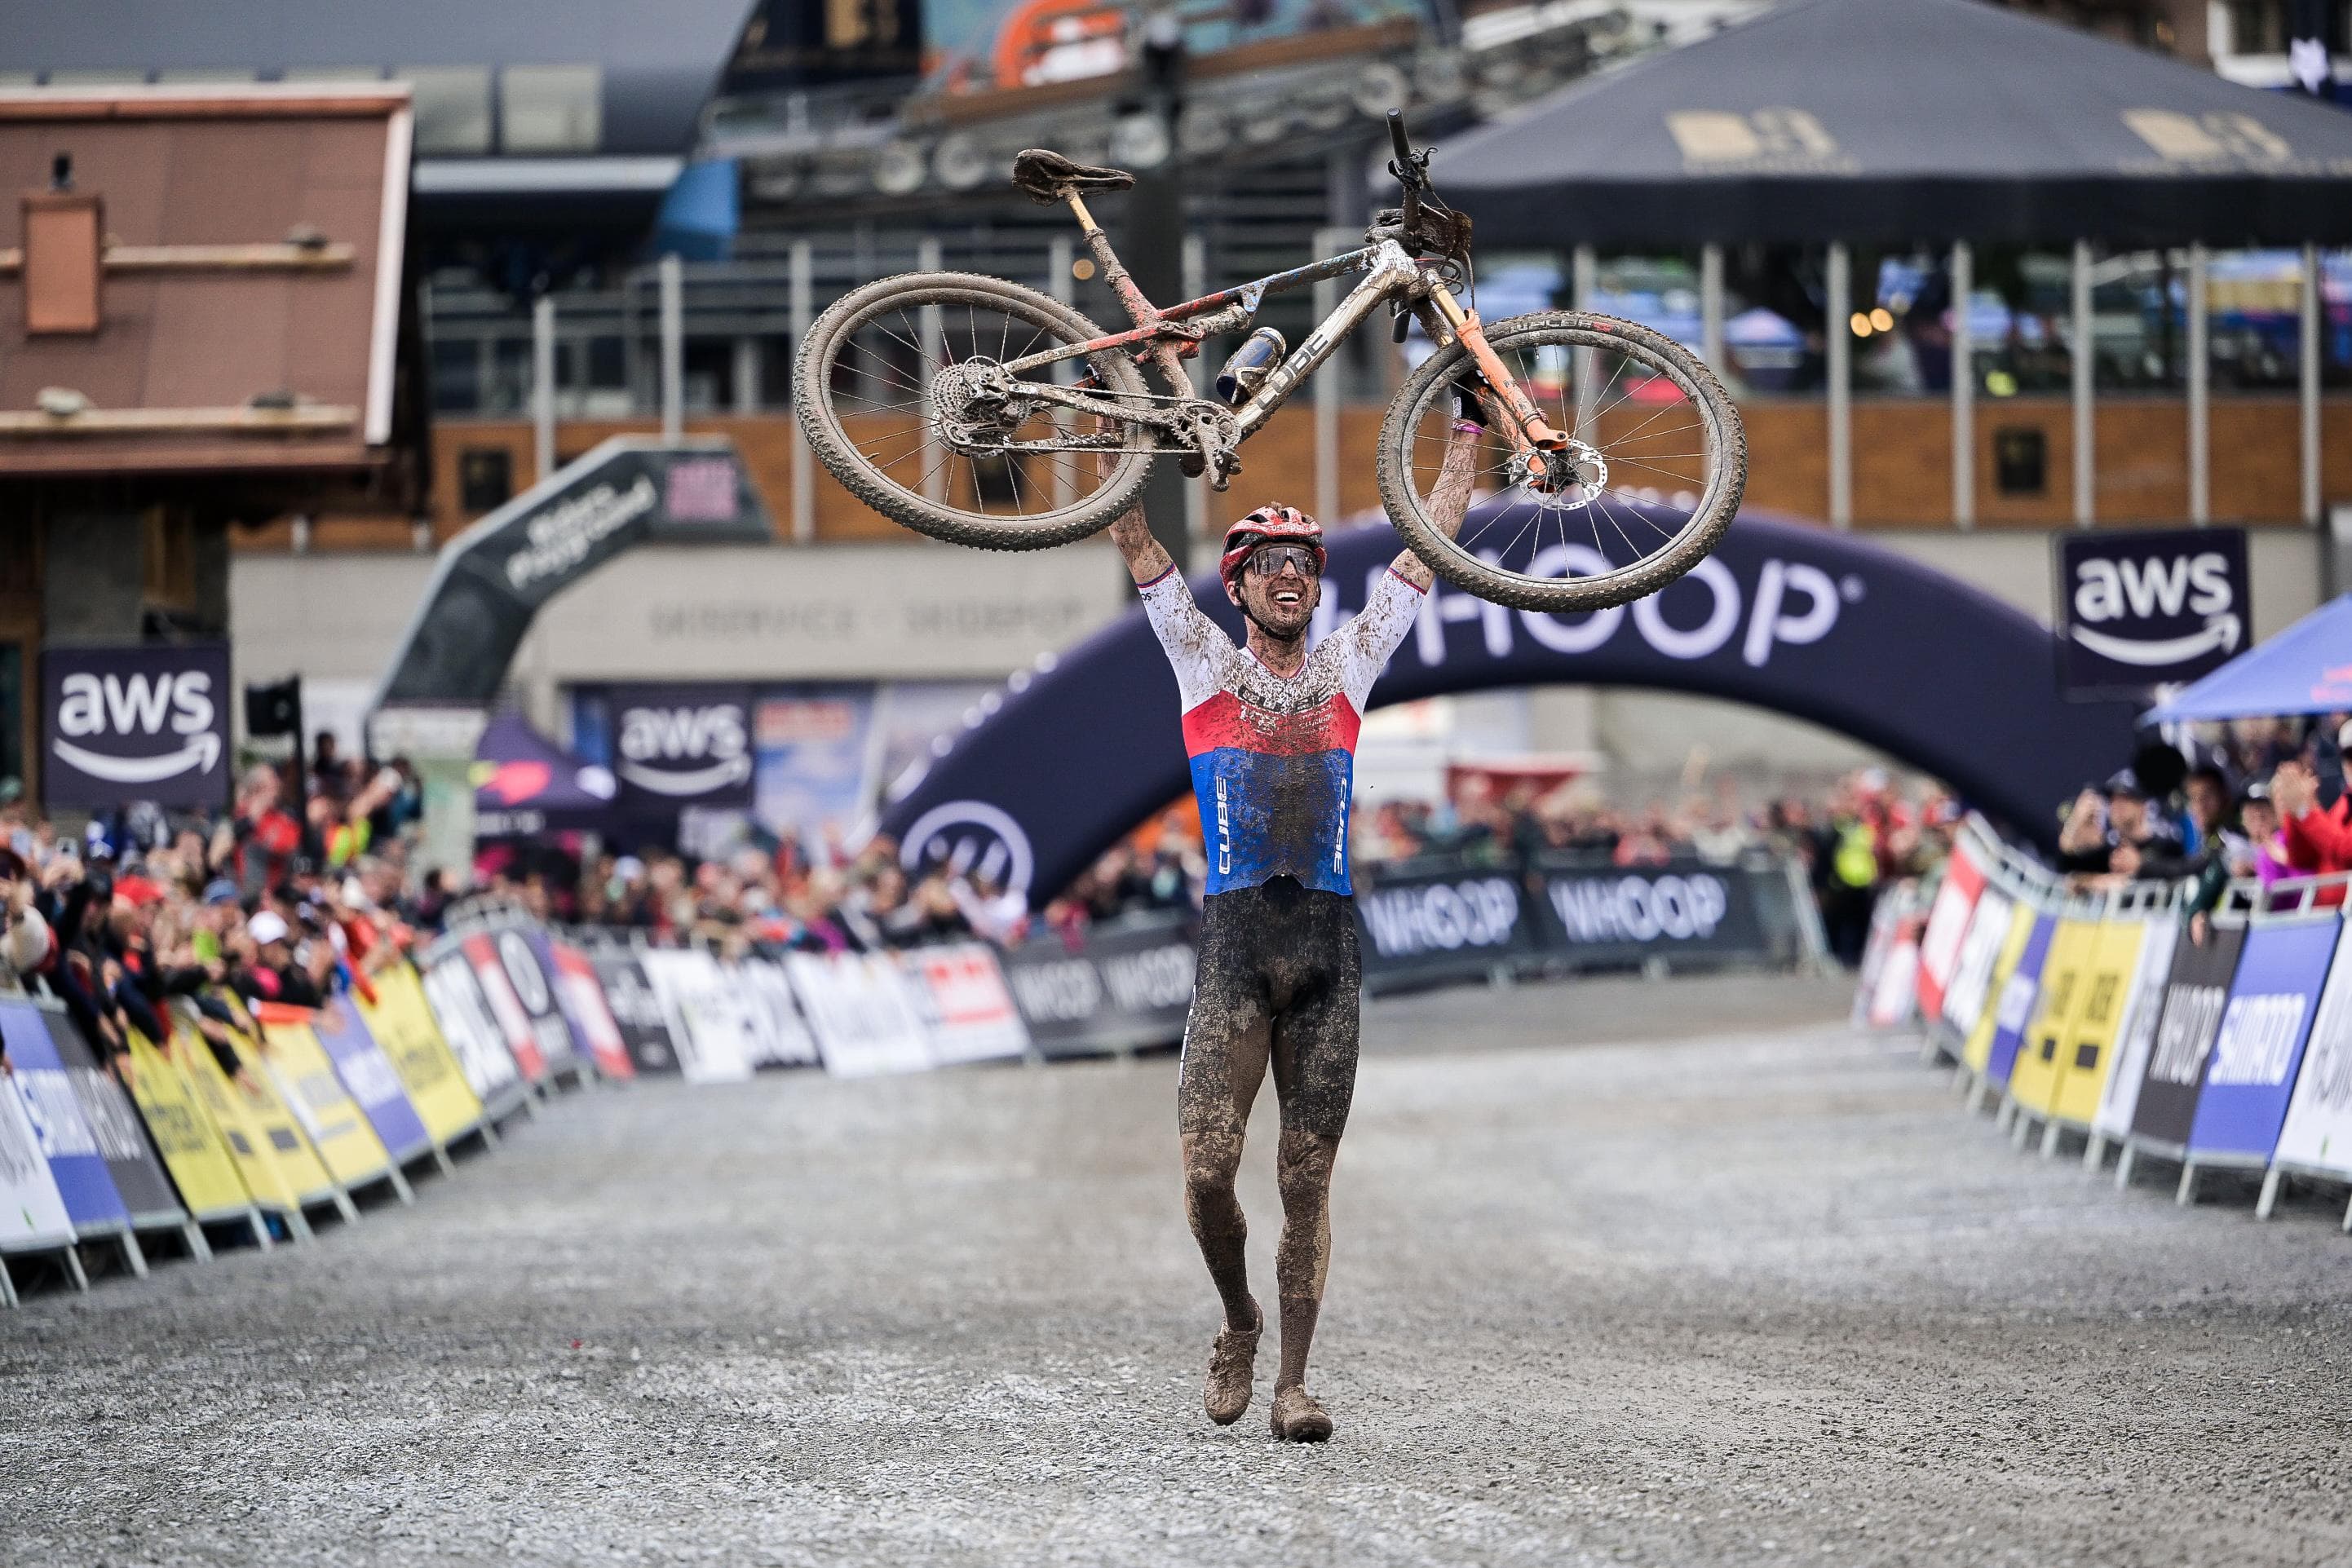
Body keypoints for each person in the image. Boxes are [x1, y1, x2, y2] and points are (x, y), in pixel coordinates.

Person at [1103, 393, 1483, 1442]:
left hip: (1326, 950)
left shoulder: (1348, 663)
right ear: (1235, 588)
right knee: (1205, 1172)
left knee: (1305, 1183)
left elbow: (1427, 541)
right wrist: (1114, 420)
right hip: (1236, 947)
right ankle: (1238, 1320)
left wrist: (1467, 431)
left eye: (1304, 566)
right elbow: (1130, 534)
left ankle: (1294, 1385)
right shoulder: (1201, 660)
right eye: (1267, 565)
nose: (1288, 577)